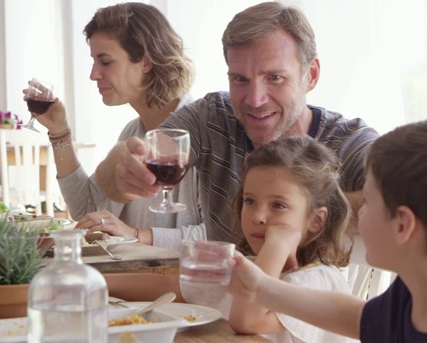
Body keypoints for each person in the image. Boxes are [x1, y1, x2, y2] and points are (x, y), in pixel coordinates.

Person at [222, 112, 427, 342]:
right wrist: (262, 288)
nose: (355, 211)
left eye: (368, 201)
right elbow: (352, 316)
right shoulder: (410, 296)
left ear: (403, 226)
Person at [94, 1, 379, 246]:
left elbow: (399, 200)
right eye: (240, 79)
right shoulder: (212, 116)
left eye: (274, 78)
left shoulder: (347, 142)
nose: (254, 100)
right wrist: (125, 167)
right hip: (217, 302)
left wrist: (292, 211)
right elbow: (154, 148)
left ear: (311, 75)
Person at [106, 136, 357, 342]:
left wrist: (277, 245)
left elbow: (246, 319)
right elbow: (174, 288)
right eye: (250, 201)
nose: (258, 216)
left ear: (316, 220)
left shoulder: (318, 281)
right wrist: (97, 282)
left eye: (278, 205)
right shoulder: (254, 265)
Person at [28, 2, 203, 249]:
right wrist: (59, 131)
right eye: (94, 61)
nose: (93, 74)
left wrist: (136, 234)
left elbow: (219, 235)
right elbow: (85, 208)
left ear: (146, 61)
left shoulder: (201, 134)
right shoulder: (133, 132)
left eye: (105, 62)